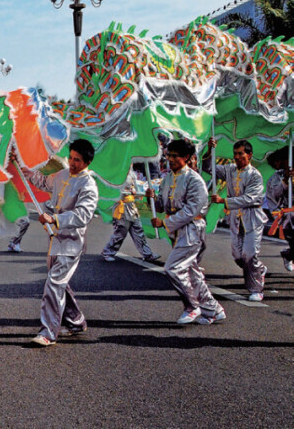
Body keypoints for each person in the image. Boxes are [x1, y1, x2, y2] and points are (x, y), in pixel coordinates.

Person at [19, 139, 99, 347]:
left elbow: (83, 215)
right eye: (71, 158)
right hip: (54, 239)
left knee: (54, 283)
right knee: (59, 283)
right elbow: (41, 181)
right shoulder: (62, 174)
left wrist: (54, 218)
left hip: (72, 243)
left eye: (77, 160)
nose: (72, 163)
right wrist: (20, 164)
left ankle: (49, 332)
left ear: (87, 161)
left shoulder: (89, 185)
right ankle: (76, 321)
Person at [149, 139, 225, 325]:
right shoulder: (168, 178)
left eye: (175, 156)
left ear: (186, 157)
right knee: (193, 273)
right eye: (169, 155)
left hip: (191, 230)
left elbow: (191, 211)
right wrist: (151, 199)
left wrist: (165, 222)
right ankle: (213, 309)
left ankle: (192, 306)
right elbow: (162, 205)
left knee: (172, 268)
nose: (171, 159)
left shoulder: (194, 180)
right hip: (176, 232)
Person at [204, 138, 267, 301]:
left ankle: (256, 289)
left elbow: (250, 198)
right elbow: (208, 168)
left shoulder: (255, 175)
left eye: (241, 154)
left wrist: (224, 201)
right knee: (239, 257)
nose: (237, 157)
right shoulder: (229, 169)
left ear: (249, 155)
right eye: (235, 154)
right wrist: (210, 150)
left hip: (252, 217)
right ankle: (259, 269)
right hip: (235, 218)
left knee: (249, 255)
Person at [101, 169, 162, 264]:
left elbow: (137, 189)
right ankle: (108, 252)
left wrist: (144, 193)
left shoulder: (132, 173)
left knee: (138, 230)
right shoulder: (117, 173)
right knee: (121, 232)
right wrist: (127, 192)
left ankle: (147, 254)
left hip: (132, 206)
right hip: (121, 207)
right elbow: (113, 190)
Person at [263, 150, 294, 271]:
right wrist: (286, 180)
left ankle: (288, 254)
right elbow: (275, 196)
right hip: (287, 217)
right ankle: (289, 254)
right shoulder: (276, 177)